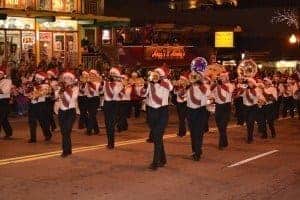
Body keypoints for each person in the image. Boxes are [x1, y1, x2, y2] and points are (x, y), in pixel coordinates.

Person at [138, 66, 173, 170]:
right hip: (151, 111)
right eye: (154, 74)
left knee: (157, 137)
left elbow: (171, 88)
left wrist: (160, 80)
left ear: (161, 76)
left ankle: (156, 162)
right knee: (158, 138)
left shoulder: (166, 82)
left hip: (162, 111)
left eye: (157, 75)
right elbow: (142, 94)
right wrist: (145, 85)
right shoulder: (150, 84)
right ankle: (163, 159)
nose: (155, 77)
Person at [186, 71, 211, 161]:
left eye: (196, 77)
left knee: (199, 133)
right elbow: (182, 97)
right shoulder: (189, 87)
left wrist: (201, 84)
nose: (194, 78)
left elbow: (208, 93)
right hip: (190, 111)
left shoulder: (204, 86)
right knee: (192, 133)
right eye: (193, 76)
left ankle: (197, 152)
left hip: (200, 111)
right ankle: (195, 151)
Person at [56, 71, 79, 158]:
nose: (67, 80)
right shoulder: (60, 88)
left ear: (72, 80)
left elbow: (73, 98)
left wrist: (65, 89)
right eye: (65, 78)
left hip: (70, 112)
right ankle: (68, 149)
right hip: (62, 111)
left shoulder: (75, 88)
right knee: (64, 132)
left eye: (69, 79)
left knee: (66, 131)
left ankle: (65, 151)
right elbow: (56, 97)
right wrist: (58, 90)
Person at [25, 72, 52, 143]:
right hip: (32, 104)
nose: (37, 79)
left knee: (43, 122)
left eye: (39, 78)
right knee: (31, 122)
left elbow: (41, 93)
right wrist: (28, 89)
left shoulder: (45, 85)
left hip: (41, 105)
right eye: (36, 78)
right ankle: (33, 138)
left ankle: (47, 135)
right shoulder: (31, 85)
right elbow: (26, 94)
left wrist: (32, 93)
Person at [211, 72, 234, 150]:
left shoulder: (230, 85)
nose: (221, 78)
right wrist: (213, 83)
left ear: (227, 78)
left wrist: (219, 86)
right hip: (218, 107)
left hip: (226, 107)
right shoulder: (216, 85)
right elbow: (210, 92)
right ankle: (225, 141)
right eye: (220, 77)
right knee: (220, 127)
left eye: (223, 77)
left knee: (222, 125)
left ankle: (221, 144)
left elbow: (224, 97)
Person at [102, 67, 124, 149]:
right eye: (111, 74)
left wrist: (113, 83)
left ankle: (111, 143)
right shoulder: (106, 82)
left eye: (113, 75)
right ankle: (109, 142)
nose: (111, 76)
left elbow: (115, 94)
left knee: (111, 124)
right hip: (107, 103)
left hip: (114, 103)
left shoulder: (119, 84)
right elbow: (101, 92)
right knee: (107, 124)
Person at [237, 78, 260, 143]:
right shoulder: (244, 89)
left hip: (253, 107)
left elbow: (254, 98)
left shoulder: (256, 90)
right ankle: (249, 135)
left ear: (253, 83)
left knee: (250, 122)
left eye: (250, 82)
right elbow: (238, 95)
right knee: (248, 123)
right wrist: (242, 89)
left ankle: (250, 137)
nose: (248, 84)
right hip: (245, 107)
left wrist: (248, 91)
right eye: (248, 83)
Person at [84, 69, 101, 135]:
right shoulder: (87, 83)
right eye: (90, 74)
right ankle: (96, 130)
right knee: (92, 116)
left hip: (95, 99)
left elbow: (96, 90)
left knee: (91, 115)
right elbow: (85, 92)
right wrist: (84, 84)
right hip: (89, 99)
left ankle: (89, 130)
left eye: (92, 74)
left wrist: (90, 83)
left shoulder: (97, 82)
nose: (91, 75)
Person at [173, 72, 188, 137]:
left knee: (181, 118)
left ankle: (182, 132)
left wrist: (180, 92)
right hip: (181, 101)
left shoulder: (183, 81)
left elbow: (175, 92)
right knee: (181, 118)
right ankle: (183, 131)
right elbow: (175, 92)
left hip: (183, 101)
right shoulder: (177, 82)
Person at [0, 68, 13, 139]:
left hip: (4, 101)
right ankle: (9, 132)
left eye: (0, 74)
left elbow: (5, 91)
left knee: (2, 118)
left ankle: (9, 133)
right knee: (3, 119)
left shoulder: (7, 81)